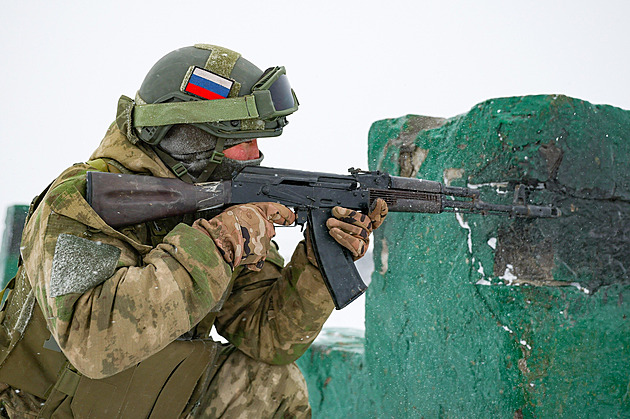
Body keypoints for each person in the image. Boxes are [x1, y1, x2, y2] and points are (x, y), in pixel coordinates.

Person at [0, 44, 387, 418]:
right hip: (44, 410)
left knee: (271, 386)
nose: (256, 155)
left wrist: (320, 261)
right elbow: (94, 342)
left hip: (154, 400)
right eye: (243, 140)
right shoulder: (80, 201)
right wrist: (220, 242)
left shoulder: (221, 200)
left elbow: (267, 336)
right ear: (192, 139)